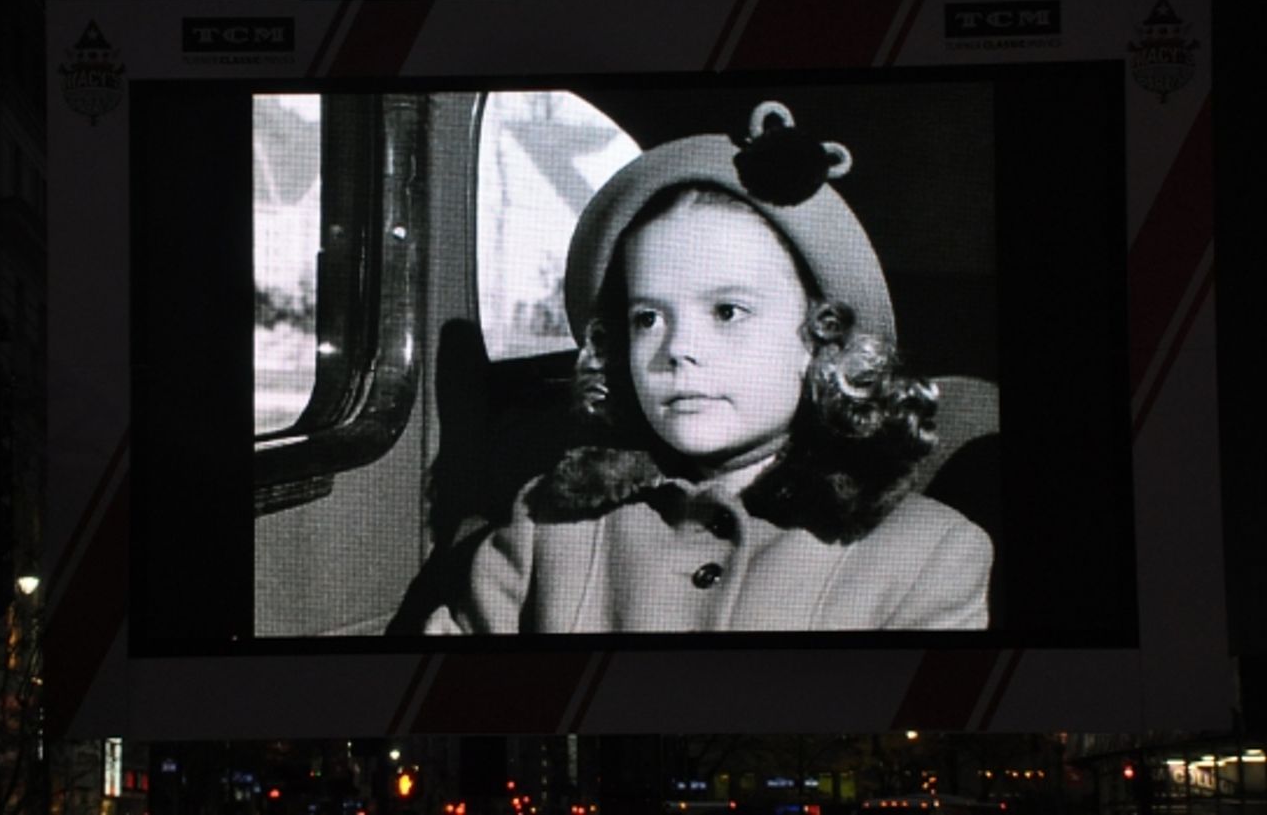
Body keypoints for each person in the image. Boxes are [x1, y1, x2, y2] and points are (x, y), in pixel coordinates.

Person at [424, 101, 992, 633]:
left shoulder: (927, 555)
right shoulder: (547, 527)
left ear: (822, 340)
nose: (677, 348)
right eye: (648, 318)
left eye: (727, 312)